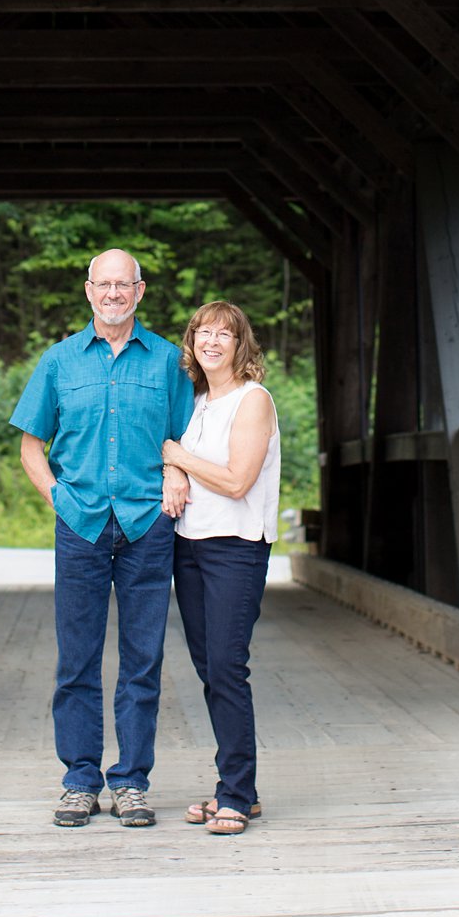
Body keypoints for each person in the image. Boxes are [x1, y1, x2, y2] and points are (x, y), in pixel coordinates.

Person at [11, 248, 196, 827]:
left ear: (140, 292)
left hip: (147, 526)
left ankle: (132, 782)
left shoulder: (168, 362)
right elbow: (30, 446)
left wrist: (175, 472)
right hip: (81, 523)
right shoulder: (60, 361)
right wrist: (57, 498)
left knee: (143, 659)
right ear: (88, 291)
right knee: (77, 659)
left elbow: (190, 439)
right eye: (104, 284)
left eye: (125, 285)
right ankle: (80, 779)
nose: (114, 293)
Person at [163, 300, 281, 836]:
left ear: (241, 345)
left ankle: (235, 792)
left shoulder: (253, 401)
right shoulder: (195, 401)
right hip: (188, 545)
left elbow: (237, 481)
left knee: (228, 667)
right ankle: (237, 787)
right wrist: (173, 468)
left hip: (236, 546)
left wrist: (179, 459)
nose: (211, 341)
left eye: (224, 334)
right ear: (192, 343)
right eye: (202, 332)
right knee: (210, 669)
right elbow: (172, 454)